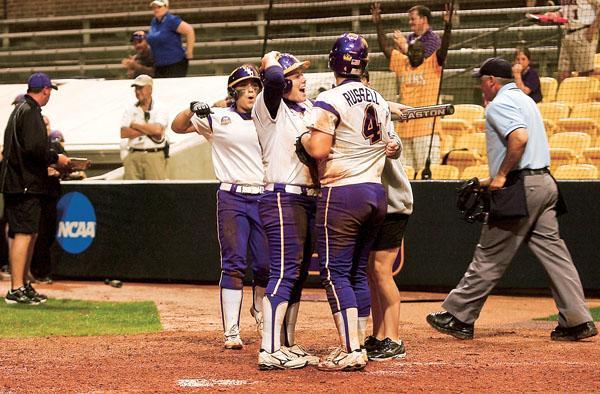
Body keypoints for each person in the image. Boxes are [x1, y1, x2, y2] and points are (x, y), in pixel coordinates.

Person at [426, 57, 598, 342]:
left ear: (492, 81)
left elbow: (519, 139)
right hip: (544, 183)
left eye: (482, 81)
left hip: (522, 187)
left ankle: (458, 316)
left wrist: (501, 176)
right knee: (556, 256)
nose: (481, 87)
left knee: (490, 253)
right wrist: (491, 177)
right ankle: (577, 320)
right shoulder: (526, 101)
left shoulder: (499, 105)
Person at [300, 32, 401, 371]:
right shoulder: (378, 97)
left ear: (333, 62)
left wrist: (302, 134)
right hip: (376, 191)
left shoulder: (330, 98)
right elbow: (391, 144)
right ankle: (357, 343)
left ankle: (351, 349)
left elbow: (318, 150)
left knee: (334, 272)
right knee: (357, 272)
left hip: (343, 192)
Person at [171, 64, 269, 350]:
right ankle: (231, 330)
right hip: (233, 196)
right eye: (245, 86)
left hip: (264, 195)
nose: (251, 90)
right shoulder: (219, 117)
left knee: (265, 264)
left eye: (255, 85)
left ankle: (259, 311)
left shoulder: (269, 118)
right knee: (234, 263)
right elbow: (177, 127)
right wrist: (191, 109)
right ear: (233, 91)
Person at [253, 51, 319, 370]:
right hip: (282, 196)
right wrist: (270, 60)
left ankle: (287, 343)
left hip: (308, 197)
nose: (302, 78)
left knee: (299, 275)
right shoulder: (269, 107)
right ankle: (268, 348)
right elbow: (276, 79)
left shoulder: (307, 108)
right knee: (283, 273)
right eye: (296, 73)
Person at [1, 72, 70, 305]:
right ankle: (16, 287)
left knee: (29, 232)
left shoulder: (21, 110)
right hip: (24, 184)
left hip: (20, 183)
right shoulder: (30, 112)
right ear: (46, 90)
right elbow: (34, 148)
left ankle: (23, 284)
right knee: (23, 232)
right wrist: (56, 157)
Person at [372, 2, 453, 175]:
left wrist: (448, 25)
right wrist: (378, 23)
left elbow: (444, 49)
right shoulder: (403, 63)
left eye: (419, 51)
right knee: (406, 175)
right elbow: (385, 47)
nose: (415, 54)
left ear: (425, 54)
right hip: (405, 129)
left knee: (428, 176)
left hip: (426, 130)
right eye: (412, 51)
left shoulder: (432, 64)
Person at [30, 117, 63, 284]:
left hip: (52, 194)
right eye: (43, 124)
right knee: (40, 234)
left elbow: (64, 165)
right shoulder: (34, 146)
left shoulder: (55, 146)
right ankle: (38, 271)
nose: (47, 127)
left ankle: (43, 270)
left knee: (49, 233)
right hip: (38, 194)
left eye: (48, 124)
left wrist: (60, 170)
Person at [120, 74, 169, 180]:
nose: (138, 92)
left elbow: (157, 131)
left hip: (154, 155)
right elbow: (124, 133)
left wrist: (134, 125)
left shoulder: (160, 108)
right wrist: (149, 130)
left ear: (150, 89)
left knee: (155, 191)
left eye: (141, 88)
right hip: (133, 155)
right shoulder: (130, 109)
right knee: (131, 192)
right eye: (136, 89)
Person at [547, 1, 600, 82]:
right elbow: (568, 11)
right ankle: (563, 94)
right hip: (567, 34)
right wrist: (555, 14)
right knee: (562, 75)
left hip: (583, 33)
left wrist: (593, 29)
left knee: (584, 75)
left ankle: (584, 94)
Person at [147, 0, 195, 78]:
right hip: (159, 64)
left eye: (159, 7)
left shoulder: (171, 20)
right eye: (154, 7)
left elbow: (189, 30)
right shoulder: (154, 21)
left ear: (166, 8)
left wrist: (189, 51)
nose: (156, 9)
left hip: (174, 63)